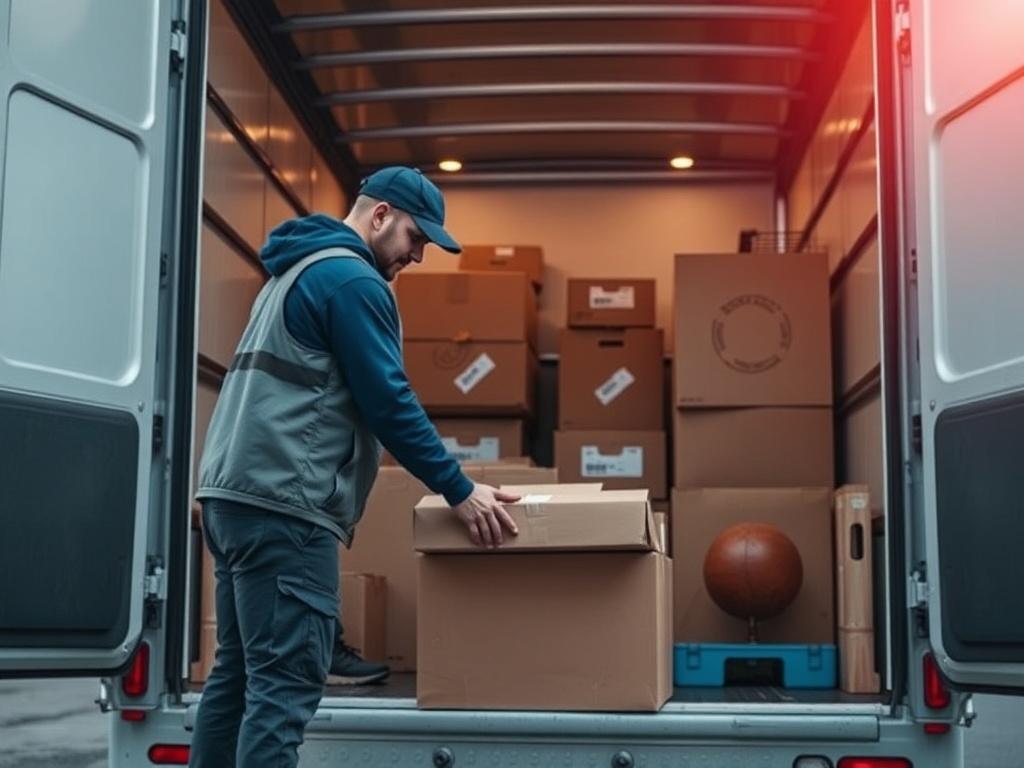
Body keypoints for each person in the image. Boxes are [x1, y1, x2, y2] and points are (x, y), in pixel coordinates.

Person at [188, 166, 520, 767]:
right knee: (282, 689)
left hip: (235, 501)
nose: (418, 256)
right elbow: (388, 401)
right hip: (285, 511)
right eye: (417, 238)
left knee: (236, 680)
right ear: (381, 215)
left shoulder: (293, 272)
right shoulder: (352, 281)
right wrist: (458, 488)